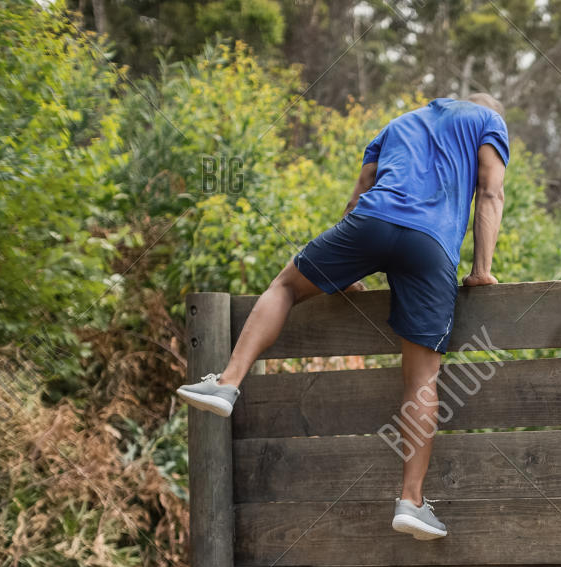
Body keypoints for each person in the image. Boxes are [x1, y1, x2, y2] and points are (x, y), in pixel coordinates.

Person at [176, 93, 510, 541]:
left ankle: (228, 382)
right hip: (430, 247)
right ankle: (411, 502)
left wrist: (345, 272)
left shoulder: (397, 122)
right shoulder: (489, 120)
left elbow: (359, 196)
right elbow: (490, 190)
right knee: (422, 378)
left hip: (371, 223)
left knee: (286, 286)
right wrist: (481, 269)